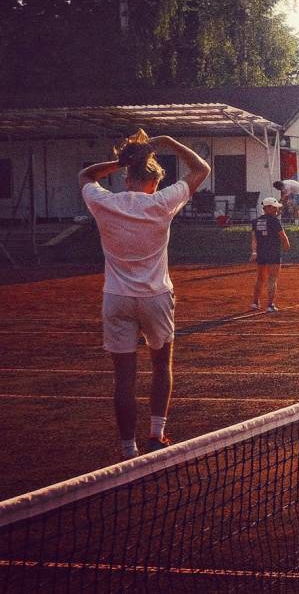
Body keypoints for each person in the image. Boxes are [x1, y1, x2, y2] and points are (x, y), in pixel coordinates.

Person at [79, 132, 210, 460]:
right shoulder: (161, 202)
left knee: (123, 377)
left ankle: (127, 448)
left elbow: (86, 176)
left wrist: (121, 160)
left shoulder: (105, 202)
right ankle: (156, 433)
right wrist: (167, 141)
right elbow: (200, 168)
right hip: (156, 297)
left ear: (127, 178)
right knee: (161, 364)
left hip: (116, 297)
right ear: (152, 182)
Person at [250, 197, 290, 312]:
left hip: (261, 254)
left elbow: (254, 239)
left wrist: (254, 252)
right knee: (272, 279)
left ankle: (255, 303)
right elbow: (283, 236)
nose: (277, 209)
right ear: (267, 208)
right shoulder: (274, 221)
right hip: (273, 253)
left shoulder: (256, 221)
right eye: (274, 207)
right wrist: (287, 245)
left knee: (260, 279)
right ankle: (270, 305)